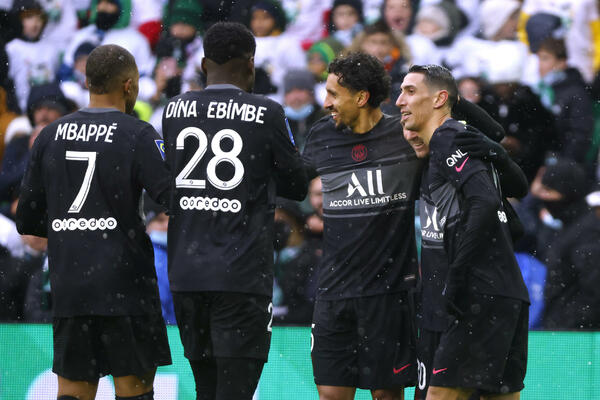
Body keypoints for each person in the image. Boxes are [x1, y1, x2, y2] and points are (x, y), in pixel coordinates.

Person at [16, 44, 172, 400]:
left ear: (88, 82)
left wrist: (71, 228)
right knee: (134, 391)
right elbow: (173, 198)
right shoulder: (138, 134)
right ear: (129, 85)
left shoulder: (50, 136)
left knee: (73, 393)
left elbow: (27, 218)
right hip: (126, 285)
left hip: (71, 286)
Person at [161, 22, 308, 400]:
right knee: (235, 392)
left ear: (204, 64)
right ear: (251, 64)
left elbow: (167, 182)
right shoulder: (267, 112)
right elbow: (296, 185)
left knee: (205, 389)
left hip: (188, 273)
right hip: (241, 272)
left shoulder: (174, 110)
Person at [396, 64, 530, 400]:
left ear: (439, 99)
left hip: (474, 293)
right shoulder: (457, 147)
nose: (400, 101)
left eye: (410, 91)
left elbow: (486, 203)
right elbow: (511, 204)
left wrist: (456, 276)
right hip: (501, 290)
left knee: (440, 395)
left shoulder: (448, 137)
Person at [303, 52, 421, 400]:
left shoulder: (405, 136)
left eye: (333, 94)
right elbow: (293, 185)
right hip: (333, 291)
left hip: (389, 294)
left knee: (386, 395)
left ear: (361, 97)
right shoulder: (321, 136)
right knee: (330, 394)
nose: (326, 103)